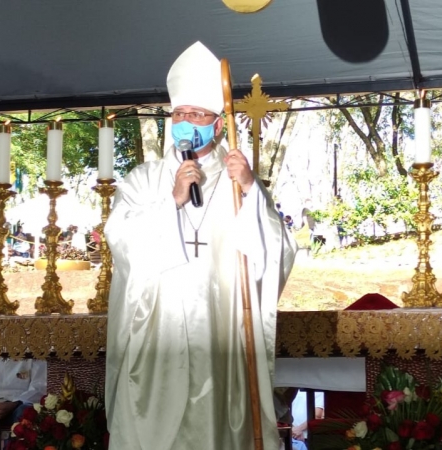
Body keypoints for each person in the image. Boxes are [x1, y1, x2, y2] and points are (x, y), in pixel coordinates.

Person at [104, 41, 297, 450]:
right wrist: (170, 201)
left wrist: (249, 190)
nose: (185, 120)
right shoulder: (144, 179)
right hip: (158, 330)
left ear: (217, 122)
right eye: (178, 113)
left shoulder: (238, 181)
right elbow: (120, 239)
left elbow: (275, 250)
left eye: (196, 114)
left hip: (220, 325)